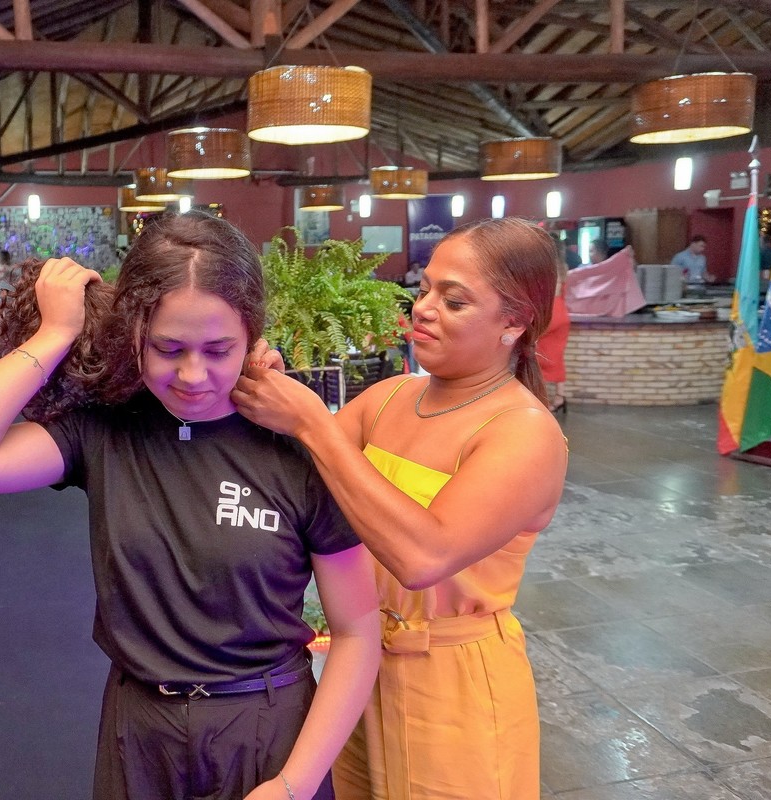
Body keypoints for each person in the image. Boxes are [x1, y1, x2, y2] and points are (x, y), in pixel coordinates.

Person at [0, 211, 380, 800]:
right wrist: (53, 335)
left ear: (252, 334)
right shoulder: (106, 429)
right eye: (167, 347)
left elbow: (358, 632)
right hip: (139, 729)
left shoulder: (297, 446)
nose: (193, 375)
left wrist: (294, 783)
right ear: (134, 332)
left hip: (268, 727)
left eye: (219, 349)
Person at [232, 216, 570, 800]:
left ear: (513, 322)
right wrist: (259, 381)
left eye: (454, 301)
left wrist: (311, 421)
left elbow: (423, 556)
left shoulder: (524, 433)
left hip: (454, 682)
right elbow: (293, 482)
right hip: (361, 666)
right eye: (426, 288)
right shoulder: (389, 397)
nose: (424, 308)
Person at [538, 242, 572, 415]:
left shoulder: (546, 267)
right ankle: (560, 397)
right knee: (557, 356)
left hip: (550, 311)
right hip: (562, 312)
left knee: (537, 356)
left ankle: (540, 398)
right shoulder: (564, 268)